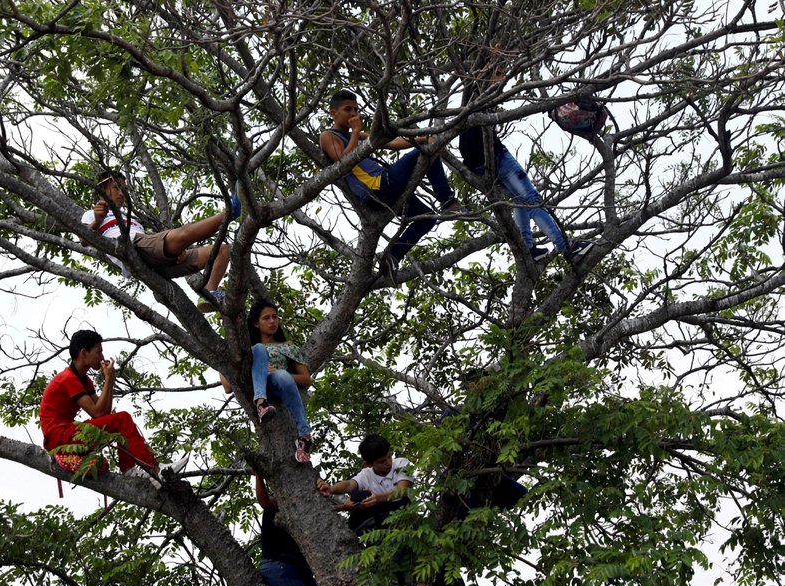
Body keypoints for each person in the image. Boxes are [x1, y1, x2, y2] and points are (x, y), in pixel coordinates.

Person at [458, 57, 592, 266]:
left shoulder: (474, 97)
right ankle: (567, 248)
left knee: (520, 201)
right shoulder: (479, 92)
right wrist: (492, 56)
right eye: (499, 73)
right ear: (485, 74)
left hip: (476, 164)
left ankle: (528, 249)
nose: (503, 79)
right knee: (532, 199)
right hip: (495, 157)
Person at [320, 89, 459, 282]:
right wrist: (355, 132)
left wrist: (421, 139)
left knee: (427, 218)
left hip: (387, 188)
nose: (353, 113)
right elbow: (343, 161)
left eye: (356, 109)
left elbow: (391, 142)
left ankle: (393, 255)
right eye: (347, 109)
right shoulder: (328, 136)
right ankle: (447, 201)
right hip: (378, 187)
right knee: (426, 153)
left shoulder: (359, 136)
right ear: (333, 113)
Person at [39, 329, 188, 485]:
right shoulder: (68, 378)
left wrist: (110, 380)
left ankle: (130, 469)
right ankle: (156, 470)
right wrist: (109, 378)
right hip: (58, 437)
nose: (102, 357)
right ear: (84, 353)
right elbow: (97, 413)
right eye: (99, 352)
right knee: (122, 419)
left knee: (119, 421)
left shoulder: (84, 380)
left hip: (66, 433)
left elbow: (104, 414)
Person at [80, 170, 239, 312]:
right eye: (116, 188)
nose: (122, 193)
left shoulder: (132, 220)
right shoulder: (90, 214)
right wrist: (97, 221)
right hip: (135, 248)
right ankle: (230, 212)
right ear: (102, 191)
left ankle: (209, 294)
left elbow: (151, 240)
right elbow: (83, 239)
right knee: (184, 233)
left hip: (155, 262)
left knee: (222, 250)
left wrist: (179, 250)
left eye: (124, 189)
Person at [221, 300, 314, 463]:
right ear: (256, 323)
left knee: (283, 376)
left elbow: (306, 379)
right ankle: (261, 402)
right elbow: (228, 387)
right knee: (258, 349)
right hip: (255, 385)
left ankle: (305, 436)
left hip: (278, 384)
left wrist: (277, 371)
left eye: (275, 317)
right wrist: (223, 361)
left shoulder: (287, 346)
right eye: (266, 318)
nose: (272, 321)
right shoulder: (247, 349)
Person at [255, 475, 322, 586]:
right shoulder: (279, 502)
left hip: (300, 573)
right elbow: (265, 502)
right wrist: (258, 474)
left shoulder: (308, 510)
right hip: (280, 569)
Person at [316, 433, 413, 534]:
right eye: (382, 461)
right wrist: (331, 489)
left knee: (396, 500)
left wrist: (378, 498)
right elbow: (349, 484)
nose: (388, 463)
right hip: (380, 519)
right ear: (368, 464)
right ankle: (365, 531)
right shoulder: (366, 474)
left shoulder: (401, 463)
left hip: (404, 513)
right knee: (360, 496)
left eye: (389, 457)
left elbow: (402, 490)